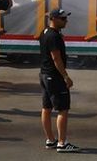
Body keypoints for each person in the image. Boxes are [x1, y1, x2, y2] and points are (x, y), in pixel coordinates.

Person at [39, 8, 78, 153]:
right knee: (63, 109)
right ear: (54, 19)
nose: (66, 21)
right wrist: (66, 76)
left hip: (44, 74)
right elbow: (56, 58)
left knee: (47, 108)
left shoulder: (45, 32)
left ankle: (50, 140)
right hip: (54, 77)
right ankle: (62, 143)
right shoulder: (54, 36)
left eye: (66, 18)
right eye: (63, 19)